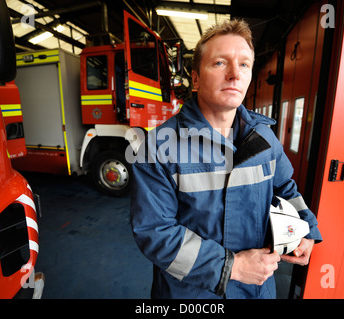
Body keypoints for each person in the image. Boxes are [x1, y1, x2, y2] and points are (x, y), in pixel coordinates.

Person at [130, 19, 322, 299]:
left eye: (244, 64)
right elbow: (154, 231)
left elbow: (285, 188)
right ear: (195, 79)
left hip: (258, 289)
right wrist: (231, 267)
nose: (235, 74)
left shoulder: (265, 139)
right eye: (220, 63)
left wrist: (306, 228)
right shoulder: (158, 148)